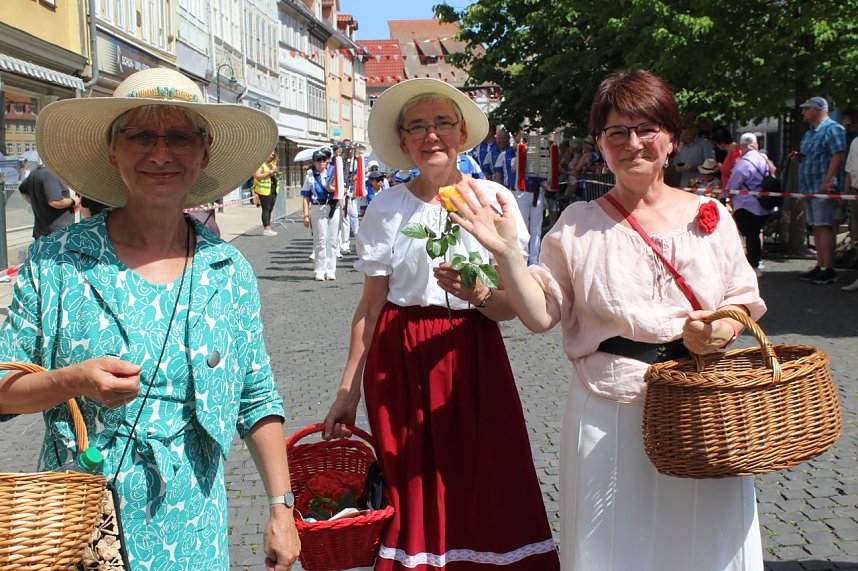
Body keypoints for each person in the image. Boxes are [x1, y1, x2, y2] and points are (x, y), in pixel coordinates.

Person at [448, 70, 766, 571]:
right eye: (616, 132)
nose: (633, 143)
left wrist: (723, 328)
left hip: (700, 406)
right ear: (599, 144)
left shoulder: (712, 215)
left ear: (673, 138)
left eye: (647, 129)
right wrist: (508, 251)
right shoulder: (578, 222)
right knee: (612, 546)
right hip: (608, 411)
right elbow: (539, 315)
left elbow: (742, 299)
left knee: (703, 541)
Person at [0, 67, 300, 571]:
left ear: (202, 154)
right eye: (140, 135)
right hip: (77, 522)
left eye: (179, 136)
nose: (160, 153)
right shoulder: (56, 263)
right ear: (113, 152)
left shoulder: (227, 271)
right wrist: (71, 381)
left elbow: (256, 396)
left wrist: (280, 509)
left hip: (192, 524)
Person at [322, 77, 560, 571]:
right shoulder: (387, 207)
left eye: (442, 124)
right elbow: (370, 307)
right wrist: (348, 391)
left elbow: (510, 309)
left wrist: (479, 294)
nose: (432, 136)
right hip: (400, 358)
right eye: (418, 127)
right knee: (412, 482)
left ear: (460, 133)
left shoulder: (493, 201)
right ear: (404, 140)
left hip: (471, 353)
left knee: (484, 475)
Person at [792, 96, 846, 285]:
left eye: (806, 109)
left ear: (817, 109)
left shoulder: (833, 129)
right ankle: (820, 265)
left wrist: (828, 180)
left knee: (824, 226)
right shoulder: (810, 133)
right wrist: (800, 157)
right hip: (809, 186)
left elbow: (838, 154)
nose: (803, 112)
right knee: (816, 226)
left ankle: (828, 268)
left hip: (822, 186)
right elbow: (812, 155)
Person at [727, 133, 777, 276]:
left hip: (746, 205)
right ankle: (755, 263)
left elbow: (733, 184)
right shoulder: (765, 159)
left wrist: (724, 196)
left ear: (742, 146)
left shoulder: (743, 163)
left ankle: (752, 266)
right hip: (764, 203)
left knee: (750, 235)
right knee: (755, 234)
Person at [301, 149, 340, 281]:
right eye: (318, 160)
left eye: (324, 159)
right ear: (314, 162)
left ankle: (331, 269)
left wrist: (333, 189)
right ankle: (319, 269)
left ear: (328, 160)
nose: (321, 162)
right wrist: (306, 215)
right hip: (317, 207)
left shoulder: (335, 171)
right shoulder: (310, 175)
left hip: (333, 206)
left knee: (333, 240)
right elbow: (306, 196)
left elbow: (344, 189)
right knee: (320, 240)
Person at [17, 158, 79, 238]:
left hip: (44, 232)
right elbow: (54, 202)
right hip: (56, 235)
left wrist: (34, 201)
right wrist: (73, 201)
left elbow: (22, 190)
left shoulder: (34, 173)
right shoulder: (50, 174)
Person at [673, 121, 716, 189]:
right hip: (685, 184)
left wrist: (691, 168)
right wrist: (677, 168)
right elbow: (676, 163)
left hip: (702, 185)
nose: (685, 137)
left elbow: (711, 165)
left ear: (694, 132)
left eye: (687, 135)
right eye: (683, 135)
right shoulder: (680, 146)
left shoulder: (704, 144)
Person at [254, 150, 281, 236]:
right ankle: (266, 228)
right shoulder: (260, 164)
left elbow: (275, 174)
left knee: (270, 208)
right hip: (264, 190)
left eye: (273, 154)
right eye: (270, 153)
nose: (272, 155)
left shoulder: (273, 164)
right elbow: (257, 176)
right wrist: (269, 173)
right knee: (266, 209)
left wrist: (277, 173)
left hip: (273, 189)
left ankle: (269, 227)